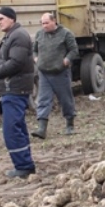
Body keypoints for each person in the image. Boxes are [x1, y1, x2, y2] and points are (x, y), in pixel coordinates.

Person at [0, 6, 36, 178]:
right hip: (12, 88)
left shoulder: (18, 36)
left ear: (11, 19)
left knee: (11, 129)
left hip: (15, 88)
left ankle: (23, 167)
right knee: (17, 127)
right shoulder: (11, 36)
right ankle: (25, 164)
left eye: (1, 19)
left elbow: (16, 63)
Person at [32, 11, 79, 139]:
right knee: (43, 100)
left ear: (54, 21)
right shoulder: (39, 34)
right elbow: (34, 49)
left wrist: (67, 60)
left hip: (60, 72)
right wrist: (35, 58)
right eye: (42, 23)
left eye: (46, 23)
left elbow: (74, 50)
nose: (44, 26)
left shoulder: (65, 34)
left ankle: (70, 125)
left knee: (65, 99)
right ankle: (41, 128)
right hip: (44, 73)